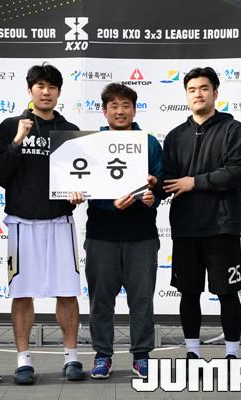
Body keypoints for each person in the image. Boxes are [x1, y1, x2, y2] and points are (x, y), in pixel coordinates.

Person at [0, 63, 87, 385]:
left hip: (60, 220)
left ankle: (71, 356)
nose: (46, 92)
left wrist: (78, 192)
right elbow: (0, 174)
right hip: (22, 222)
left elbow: (79, 175)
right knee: (22, 294)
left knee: (67, 292)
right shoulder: (11, 126)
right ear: (30, 90)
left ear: (59, 92)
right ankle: (23, 360)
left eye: (51, 87)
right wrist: (18, 140)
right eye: (40, 86)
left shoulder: (69, 130)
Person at [158, 67, 241, 360]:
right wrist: (152, 186)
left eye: (204, 88)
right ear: (186, 95)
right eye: (192, 90)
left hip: (222, 227)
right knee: (188, 293)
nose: (198, 94)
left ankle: (232, 354)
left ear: (215, 93)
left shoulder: (233, 130)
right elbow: (167, 181)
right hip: (186, 228)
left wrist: (194, 182)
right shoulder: (175, 137)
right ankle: (192, 351)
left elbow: (235, 173)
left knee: (227, 293)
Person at [85, 83, 163, 380]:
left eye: (126, 105)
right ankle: (102, 355)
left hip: (142, 234)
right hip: (101, 233)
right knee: (100, 299)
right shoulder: (91, 143)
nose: (120, 111)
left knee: (141, 299)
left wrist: (153, 192)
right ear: (104, 111)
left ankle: (141, 356)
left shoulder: (149, 143)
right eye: (114, 106)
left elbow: (161, 181)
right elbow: (82, 182)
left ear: (135, 110)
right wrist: (109, 203)